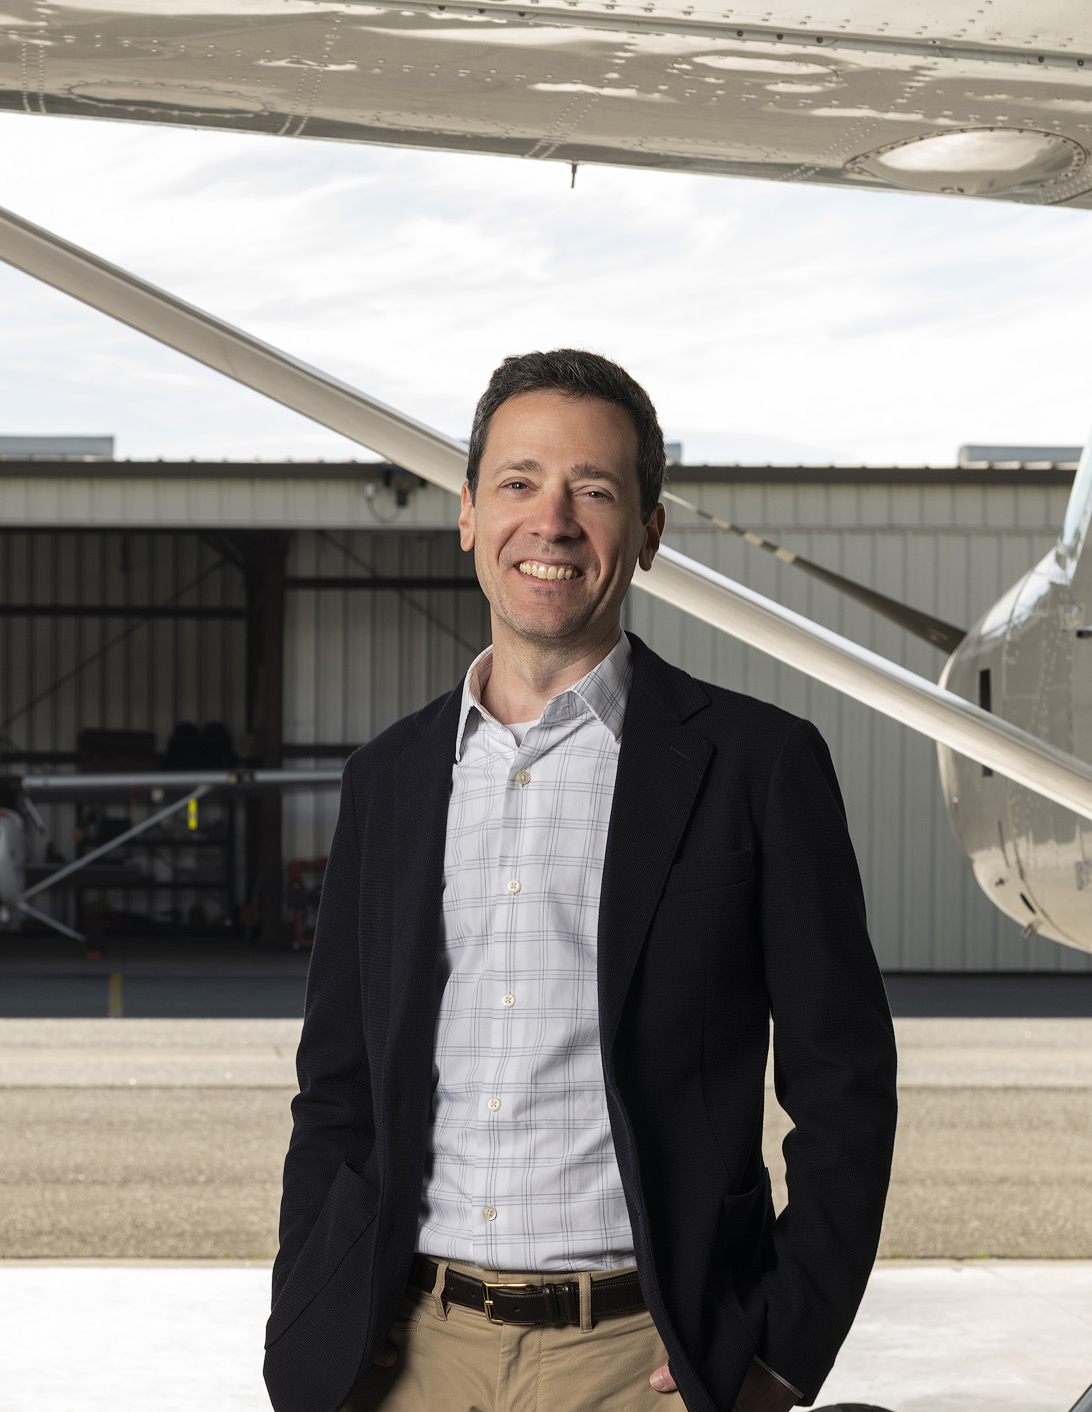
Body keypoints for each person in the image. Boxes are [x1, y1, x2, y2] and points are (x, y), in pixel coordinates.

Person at [264, 349, 898, 1412]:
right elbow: (335, 1092)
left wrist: (783, 1349)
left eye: (593, 490)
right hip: (404, 1357)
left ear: (648, 531)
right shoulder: (388, 779)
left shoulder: (758, 766)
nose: (551, 520)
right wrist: (307, 1316)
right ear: (468, 512)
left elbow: (846, 1086)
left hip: (641, 1360)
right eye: (518, 482)